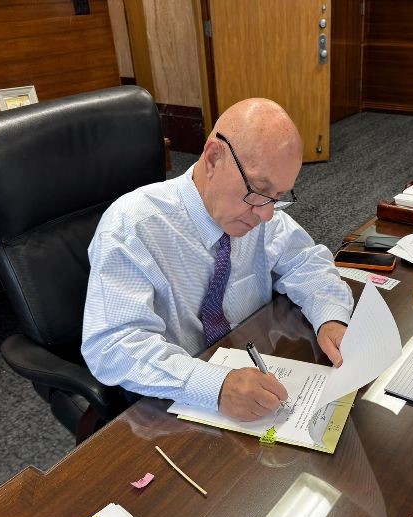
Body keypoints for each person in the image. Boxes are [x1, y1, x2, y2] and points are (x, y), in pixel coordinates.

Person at [81, 98, 353, 421]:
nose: (266, 214)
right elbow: (114, 345)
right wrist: (216, 387)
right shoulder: (133, 227)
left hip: (253, 371)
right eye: (259, 190)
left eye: (278, 196)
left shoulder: (258, 212)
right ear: (213, 158)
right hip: (168, 408)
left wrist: (331, 318)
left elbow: (306, 262)